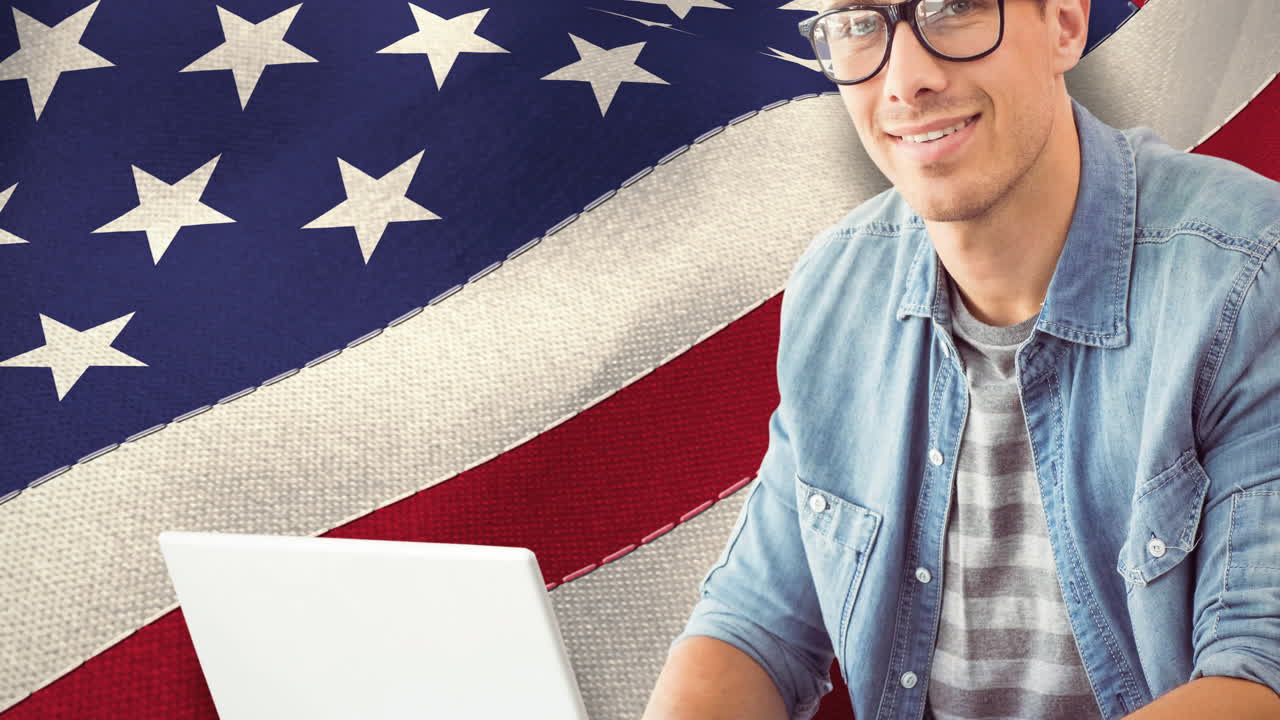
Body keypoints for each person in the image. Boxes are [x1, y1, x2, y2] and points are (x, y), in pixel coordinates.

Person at [640, 0, 1280, 718]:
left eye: (954, 8)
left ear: (1064, 25)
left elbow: (1259, 677)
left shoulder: (1249, 277)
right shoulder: (838, 287)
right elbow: (752, 628)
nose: (904, 80)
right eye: (858, 23)